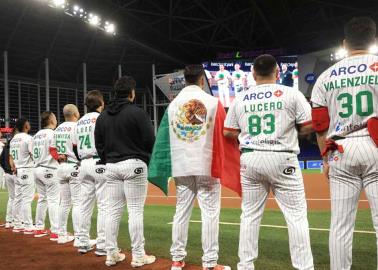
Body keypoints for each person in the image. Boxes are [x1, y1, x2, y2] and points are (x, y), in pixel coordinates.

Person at [224, 54, 314, 270]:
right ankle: (304, 267)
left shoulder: (241, 98)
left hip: (251, 158)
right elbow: (309, 125)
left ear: (253, 74)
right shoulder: (292, 94)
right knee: (296, 217)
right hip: (283, 157)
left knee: (250, 216)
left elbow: (228, 132)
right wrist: (296, 130)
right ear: (278, 72)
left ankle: (245, 266)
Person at [149, 64, 234, 270]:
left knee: (181, 212)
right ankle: (210, 263)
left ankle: (177, 260)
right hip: (207, 165)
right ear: (202, 80)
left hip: (182, 165)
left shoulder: (173, 105)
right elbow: (225, 135)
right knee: (210, 214)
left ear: (184, 80)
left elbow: (163, 139)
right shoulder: (214, 102)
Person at [311, 17, 378, 270]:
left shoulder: (325, 77)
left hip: (341, 149)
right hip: (376, 146)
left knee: (340, 225)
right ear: (373, 41)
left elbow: (319, 127)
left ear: (344, 43)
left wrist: (325, 159)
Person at [95, 76, 156, 267]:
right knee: (135, 211)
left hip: (111, 166)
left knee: (112, 212)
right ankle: (138, 255)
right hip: (134, 164)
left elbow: (99, 143)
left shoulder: (103, 115)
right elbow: (149, 139)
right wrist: (144, 157)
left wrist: (107, 158)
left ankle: (111, 254)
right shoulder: (137, 112)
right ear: (131, 93)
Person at [76, 90, 106, 255]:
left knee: (85, 205)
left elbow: (74, 145)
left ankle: (82, 242)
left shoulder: (80, 121)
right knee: (103, 205)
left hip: (83, 163)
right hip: (98, 161)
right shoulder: (101, 118)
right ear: (101, 103)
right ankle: (102, 245)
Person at [54, 104, 81, 245]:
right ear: (76, 113)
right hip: (74, 165)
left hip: (61, 167)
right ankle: (79, 236)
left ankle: (61, 234)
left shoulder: (57, 128)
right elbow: (78, 147)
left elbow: (52, 149)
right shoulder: (76, 127)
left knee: (64, 203)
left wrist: (59, 156)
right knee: (77, 203)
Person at [32, 111, 60, 240]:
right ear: (51, 120)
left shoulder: (36, 135)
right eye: (54, 117)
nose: (56, 119)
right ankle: (55, 231)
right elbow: (54, 151)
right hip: (49, 169)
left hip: (36, 169)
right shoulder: (52, 134)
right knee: (53, 200)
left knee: (42, 199)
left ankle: (38, 228)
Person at [9, 118, 35, 234]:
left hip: (16, 171)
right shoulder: (28, 138)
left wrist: (13, 166)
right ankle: (28, 225)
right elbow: (33, 154)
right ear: (25, 125)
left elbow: (10, 157)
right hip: (26, 170)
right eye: (28, 123)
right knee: (26, 199)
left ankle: (17, 224)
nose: (29, 124)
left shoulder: (13, 139)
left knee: (18, 198)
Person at [0, 132, 17, 229]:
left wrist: (6, 169)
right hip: (15, 173)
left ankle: (8, 221)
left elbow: (1, 160)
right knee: (19, 198)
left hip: (7, 174)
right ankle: (17, 221)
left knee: (11, 198)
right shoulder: (16, 145)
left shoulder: (6, 147)